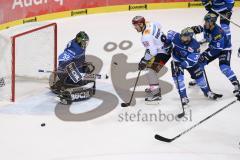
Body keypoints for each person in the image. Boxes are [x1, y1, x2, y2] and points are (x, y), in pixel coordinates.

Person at [164, 27, 222, 105]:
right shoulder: (176, 36)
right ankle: (184, 97)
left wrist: (183, 65)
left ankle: (207, 92)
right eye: (182, 36)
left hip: (190, 63)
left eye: (185, 37)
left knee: (200, 78)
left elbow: (192, 61)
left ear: (190, 38)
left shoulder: (195, 45)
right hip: (176, 61)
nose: (182, 38)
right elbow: (169, 33)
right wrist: (167, 44)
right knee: (179, 80)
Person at [190, 13, 240, 100]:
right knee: (199, 63)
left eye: (207, 21)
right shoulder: (207, 26)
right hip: (214, 47)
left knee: (224, 67)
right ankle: (199, 79)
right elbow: (202, 29)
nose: (205, 23)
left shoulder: (218, 32)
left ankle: (236, 85)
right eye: (205, 21)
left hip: (224, 49)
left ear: (212, 23)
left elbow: (217, 50)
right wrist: (196, 29)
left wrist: (206, 55)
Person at [49, 31, 96, 104]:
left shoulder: (79, 45)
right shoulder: (74, 49)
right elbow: (62, 59)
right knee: (81, 82)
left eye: (86, 42)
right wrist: (68, 70)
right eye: (84, 42)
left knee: (87, 70)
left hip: (75, 66)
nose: (85, 44)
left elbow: (78, 58)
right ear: (79, 41)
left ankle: (65, 83)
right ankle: (65, 86)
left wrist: (82, 63)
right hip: (66, 70)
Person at [132, 16, 171, 102]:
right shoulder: (149, 23)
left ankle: (156, 94)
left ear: (141, 24)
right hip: (164, 48)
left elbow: (153, 52)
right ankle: (153, 86)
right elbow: (159, 25)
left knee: (151, 71)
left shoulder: (145, 37)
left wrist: (144, 60)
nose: (135, 28)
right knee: (148, 67)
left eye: (136, 26)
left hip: (164, 53)